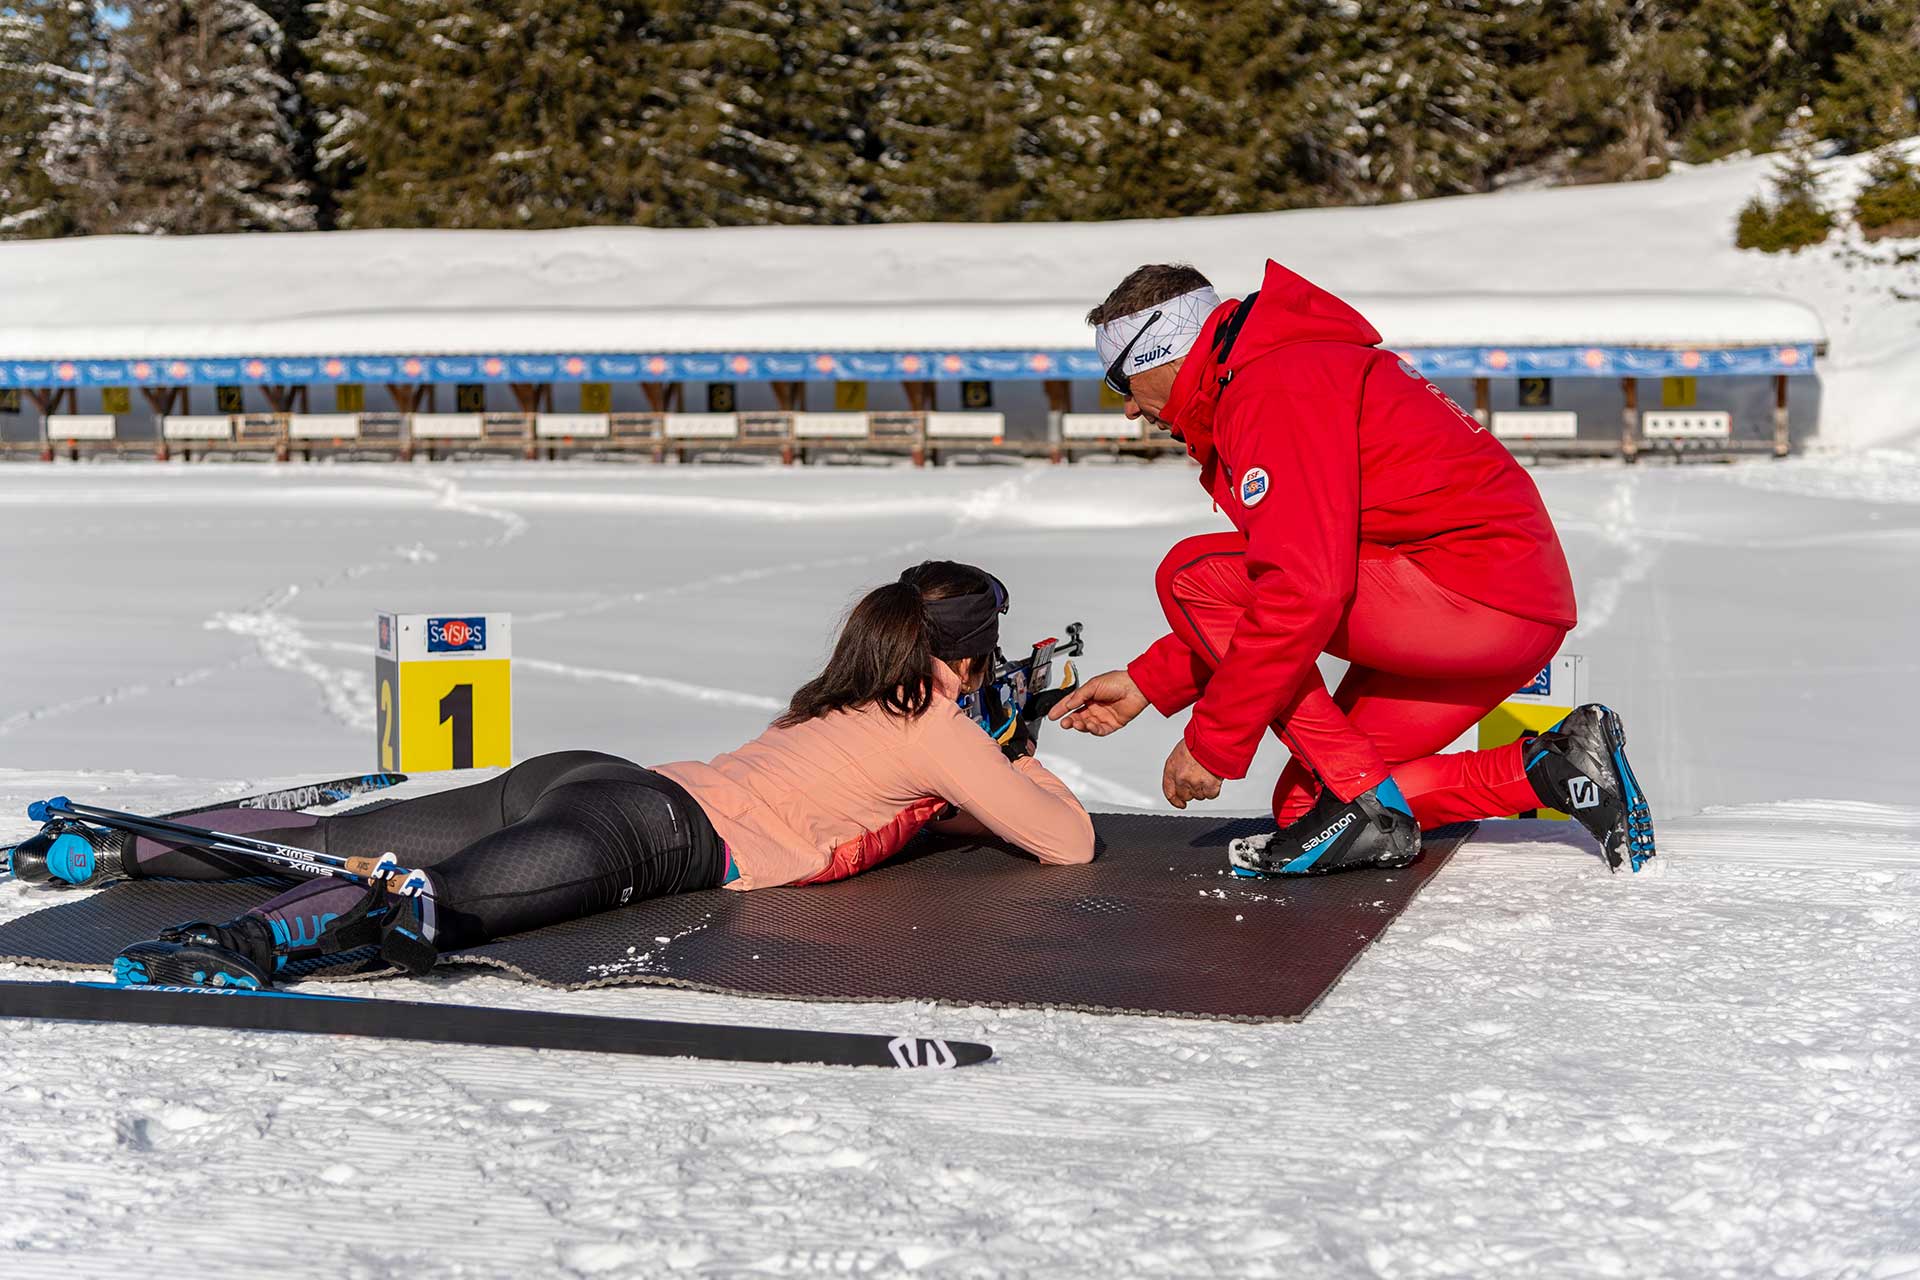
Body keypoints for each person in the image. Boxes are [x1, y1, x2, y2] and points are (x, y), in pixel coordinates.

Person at [13, 561, 1096, 989]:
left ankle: (111, 841)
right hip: (652, 833)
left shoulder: (847, 697)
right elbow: (1066, 841)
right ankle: (242, 942)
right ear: (966, 656)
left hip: (590, 778)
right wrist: (1017, 746)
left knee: (365, 829)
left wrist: (981, 755)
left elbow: (889, 799)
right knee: (449, 900)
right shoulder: (939, 720)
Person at [1048, 261, 1654, 876]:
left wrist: (1215, 741)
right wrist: (1151, 682)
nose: (1128, 409)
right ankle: (1560, 770)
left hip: (1468, 601)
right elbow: (1275, 593)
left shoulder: (1274, 385)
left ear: (1163, 354)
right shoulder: (1282, 370)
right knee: (1308, 807)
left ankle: (1363, 798)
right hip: (1499, 610)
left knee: (1191, 574)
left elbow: (1298, 591)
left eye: (1120, 382)